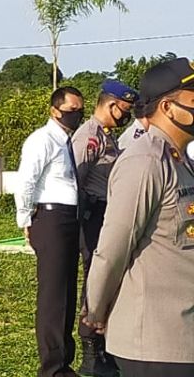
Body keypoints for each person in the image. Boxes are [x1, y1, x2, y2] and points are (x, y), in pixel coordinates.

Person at [85, 58, 194, 377]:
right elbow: (113, 249)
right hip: (156, 343)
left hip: (183, 334)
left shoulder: (180, 161)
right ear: (168, 107)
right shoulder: (145, 161)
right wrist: (96, 310)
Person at [16, 86, 87, 377]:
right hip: (50, 217)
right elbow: (26, 181)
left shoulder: (66, 141)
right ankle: (53, 368)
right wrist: (25, 220)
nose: (77, 115)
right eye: (72, 110)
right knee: (53, 295)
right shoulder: (42, 140)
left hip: (70, 217)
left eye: (80, 109)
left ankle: (63, 361)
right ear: (54, 110)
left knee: (68, 291)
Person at [72, 80, 138, 377]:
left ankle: (104, 345)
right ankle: (91, 350)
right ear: (111, 105)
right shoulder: (88, 136)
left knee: (110, 277)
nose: (126, 117)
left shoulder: (107, 136)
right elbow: (76, 179)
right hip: (93, 213)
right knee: (95, 277)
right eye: (124, 111)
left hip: (107, 211)